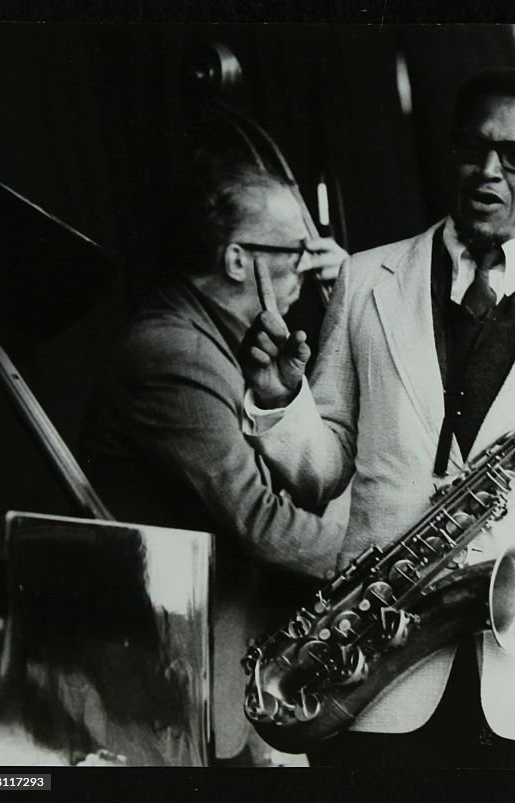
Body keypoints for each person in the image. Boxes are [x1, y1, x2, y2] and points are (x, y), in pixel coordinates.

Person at [239, 68, 515, 770]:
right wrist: (278, 401)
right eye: (474, 149)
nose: (488, 171)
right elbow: (321, 471)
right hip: (372, 677)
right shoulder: (364, 278)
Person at [80, 162, 349, 764]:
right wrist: (378, 555)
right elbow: (261, 522)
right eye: (297, 251)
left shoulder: (214, 336)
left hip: (216, 648)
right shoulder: (178, 354)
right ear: (236, 262)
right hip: (168, 675)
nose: (312, 264)